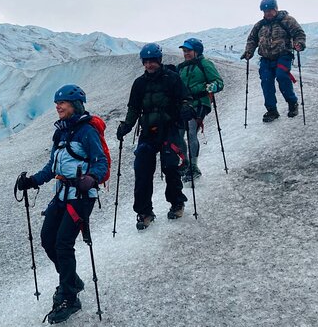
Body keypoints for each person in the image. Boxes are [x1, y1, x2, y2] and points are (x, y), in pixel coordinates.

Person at [17, 84, 107, 324]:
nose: (58, 106)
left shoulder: (86, 131)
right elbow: (52, 167)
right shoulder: (61, 133)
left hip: (81, 196)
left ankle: (70, 295)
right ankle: (72, 281)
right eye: (57, 103)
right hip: (61, 195)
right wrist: (33, 181)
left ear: (75, 105)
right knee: (48, 240)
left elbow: (102, 163)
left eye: (62, 103)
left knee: (63, 244)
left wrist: (92, 178)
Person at [116, 43, 193, 230]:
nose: (149, 65)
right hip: (148, 132)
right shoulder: (139, 83)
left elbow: (185, 98)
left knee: (170, 166)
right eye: (146, 61)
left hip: (169, 129)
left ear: (159, 60)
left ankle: (177, 203)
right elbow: (134, 108)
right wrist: (127, 125)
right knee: (142, 170)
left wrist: (186, 107)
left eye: (153, 61)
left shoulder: (172, 79)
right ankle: (144, 212)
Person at [241, 0, 306, 122]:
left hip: (283, 56)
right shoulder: (260, 25)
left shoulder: (287, 21)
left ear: (276, 8)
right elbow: (252, 39)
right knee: (266, 82)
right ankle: (272, 110)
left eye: (270, 10)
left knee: (282, 76)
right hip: (266, 59)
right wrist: (249, 51)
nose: (268, 13)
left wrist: (299, 44)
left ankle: (292, 103)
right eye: (265, 11)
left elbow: (298, 33)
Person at [177, 38, 224, 182]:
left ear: (197, 51)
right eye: (185, 51)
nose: (186, 53)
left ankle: (193, 166)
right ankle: (185, 162)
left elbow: (218, 82)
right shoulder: (182, 67)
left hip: (200, 102)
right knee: (178, 134)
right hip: (184, 104)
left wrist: (209, 88)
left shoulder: (205, 64)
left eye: (188, 51)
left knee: (191, 132)